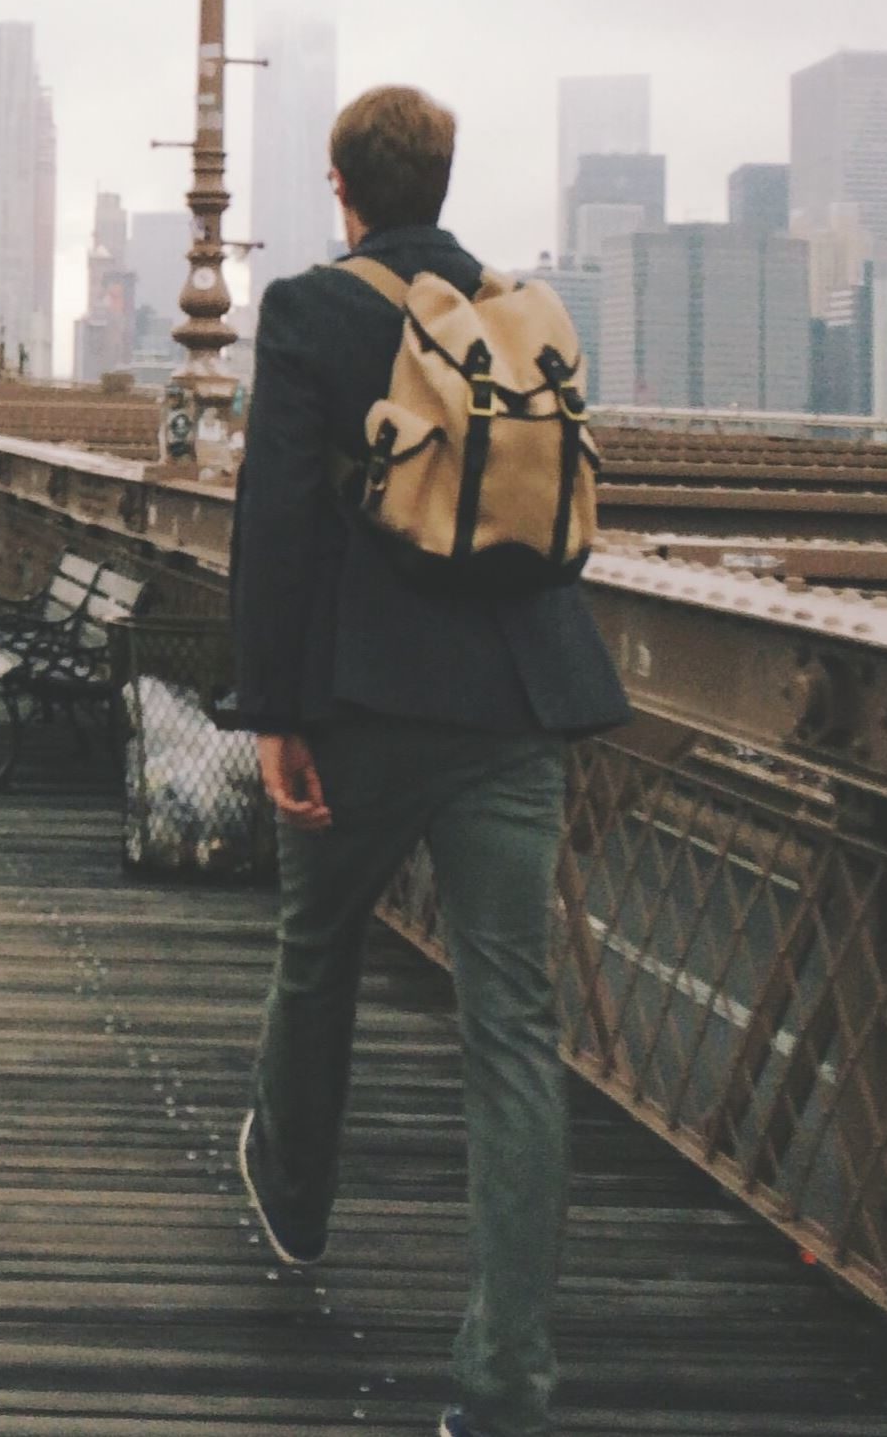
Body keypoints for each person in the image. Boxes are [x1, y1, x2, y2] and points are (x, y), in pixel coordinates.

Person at [226, 84, 629, 1437]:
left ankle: (295, 1199)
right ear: (442, 185)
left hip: (360, 703)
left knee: (317, 947)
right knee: (513, 1031)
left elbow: (278, 524)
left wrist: (273, 713)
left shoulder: (311, 312)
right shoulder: (514, 312)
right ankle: (507, 1379)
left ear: (340, 186)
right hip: (516, 705)